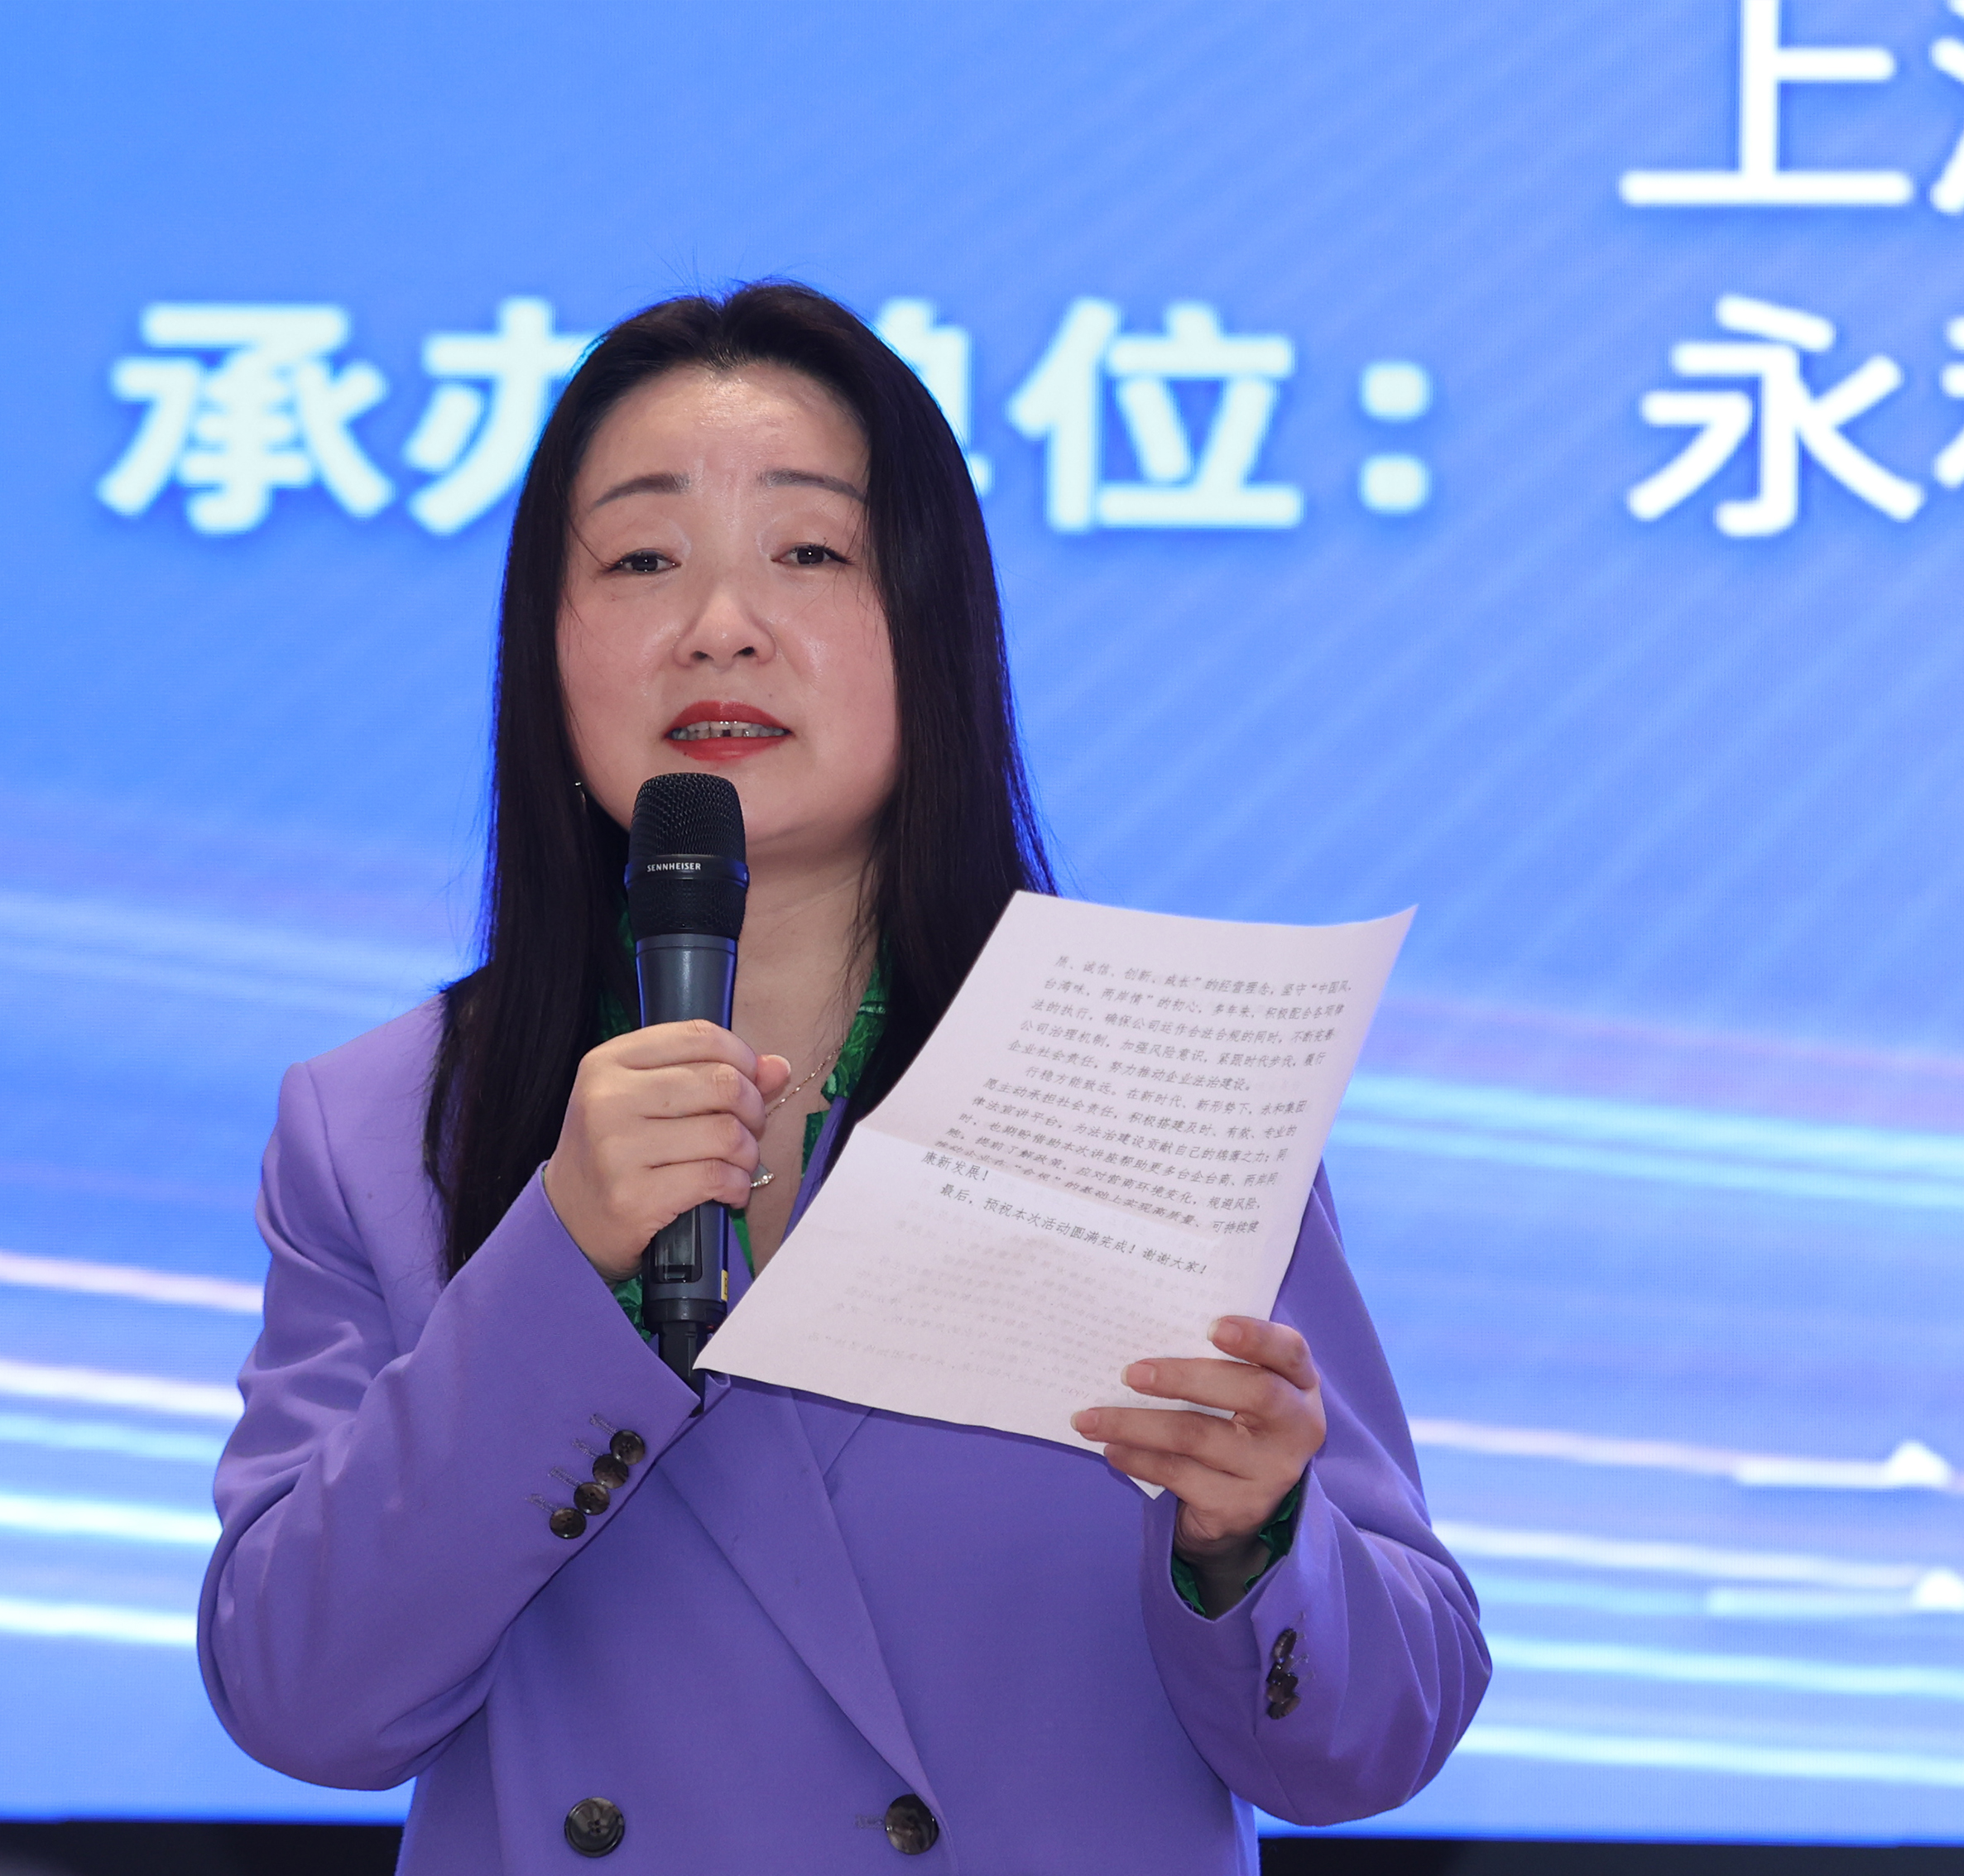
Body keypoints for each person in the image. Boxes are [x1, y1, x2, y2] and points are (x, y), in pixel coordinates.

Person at [197, 283, 1488, 1873]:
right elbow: (298, 1702)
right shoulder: (384, 1124)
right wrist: (556, 1268)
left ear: (935, 632)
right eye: (642, 559)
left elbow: (1385, 1733)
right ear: (547, 647)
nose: (720, 624)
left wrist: (1253, 1540)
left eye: (810, 552)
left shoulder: (1152, 1066)